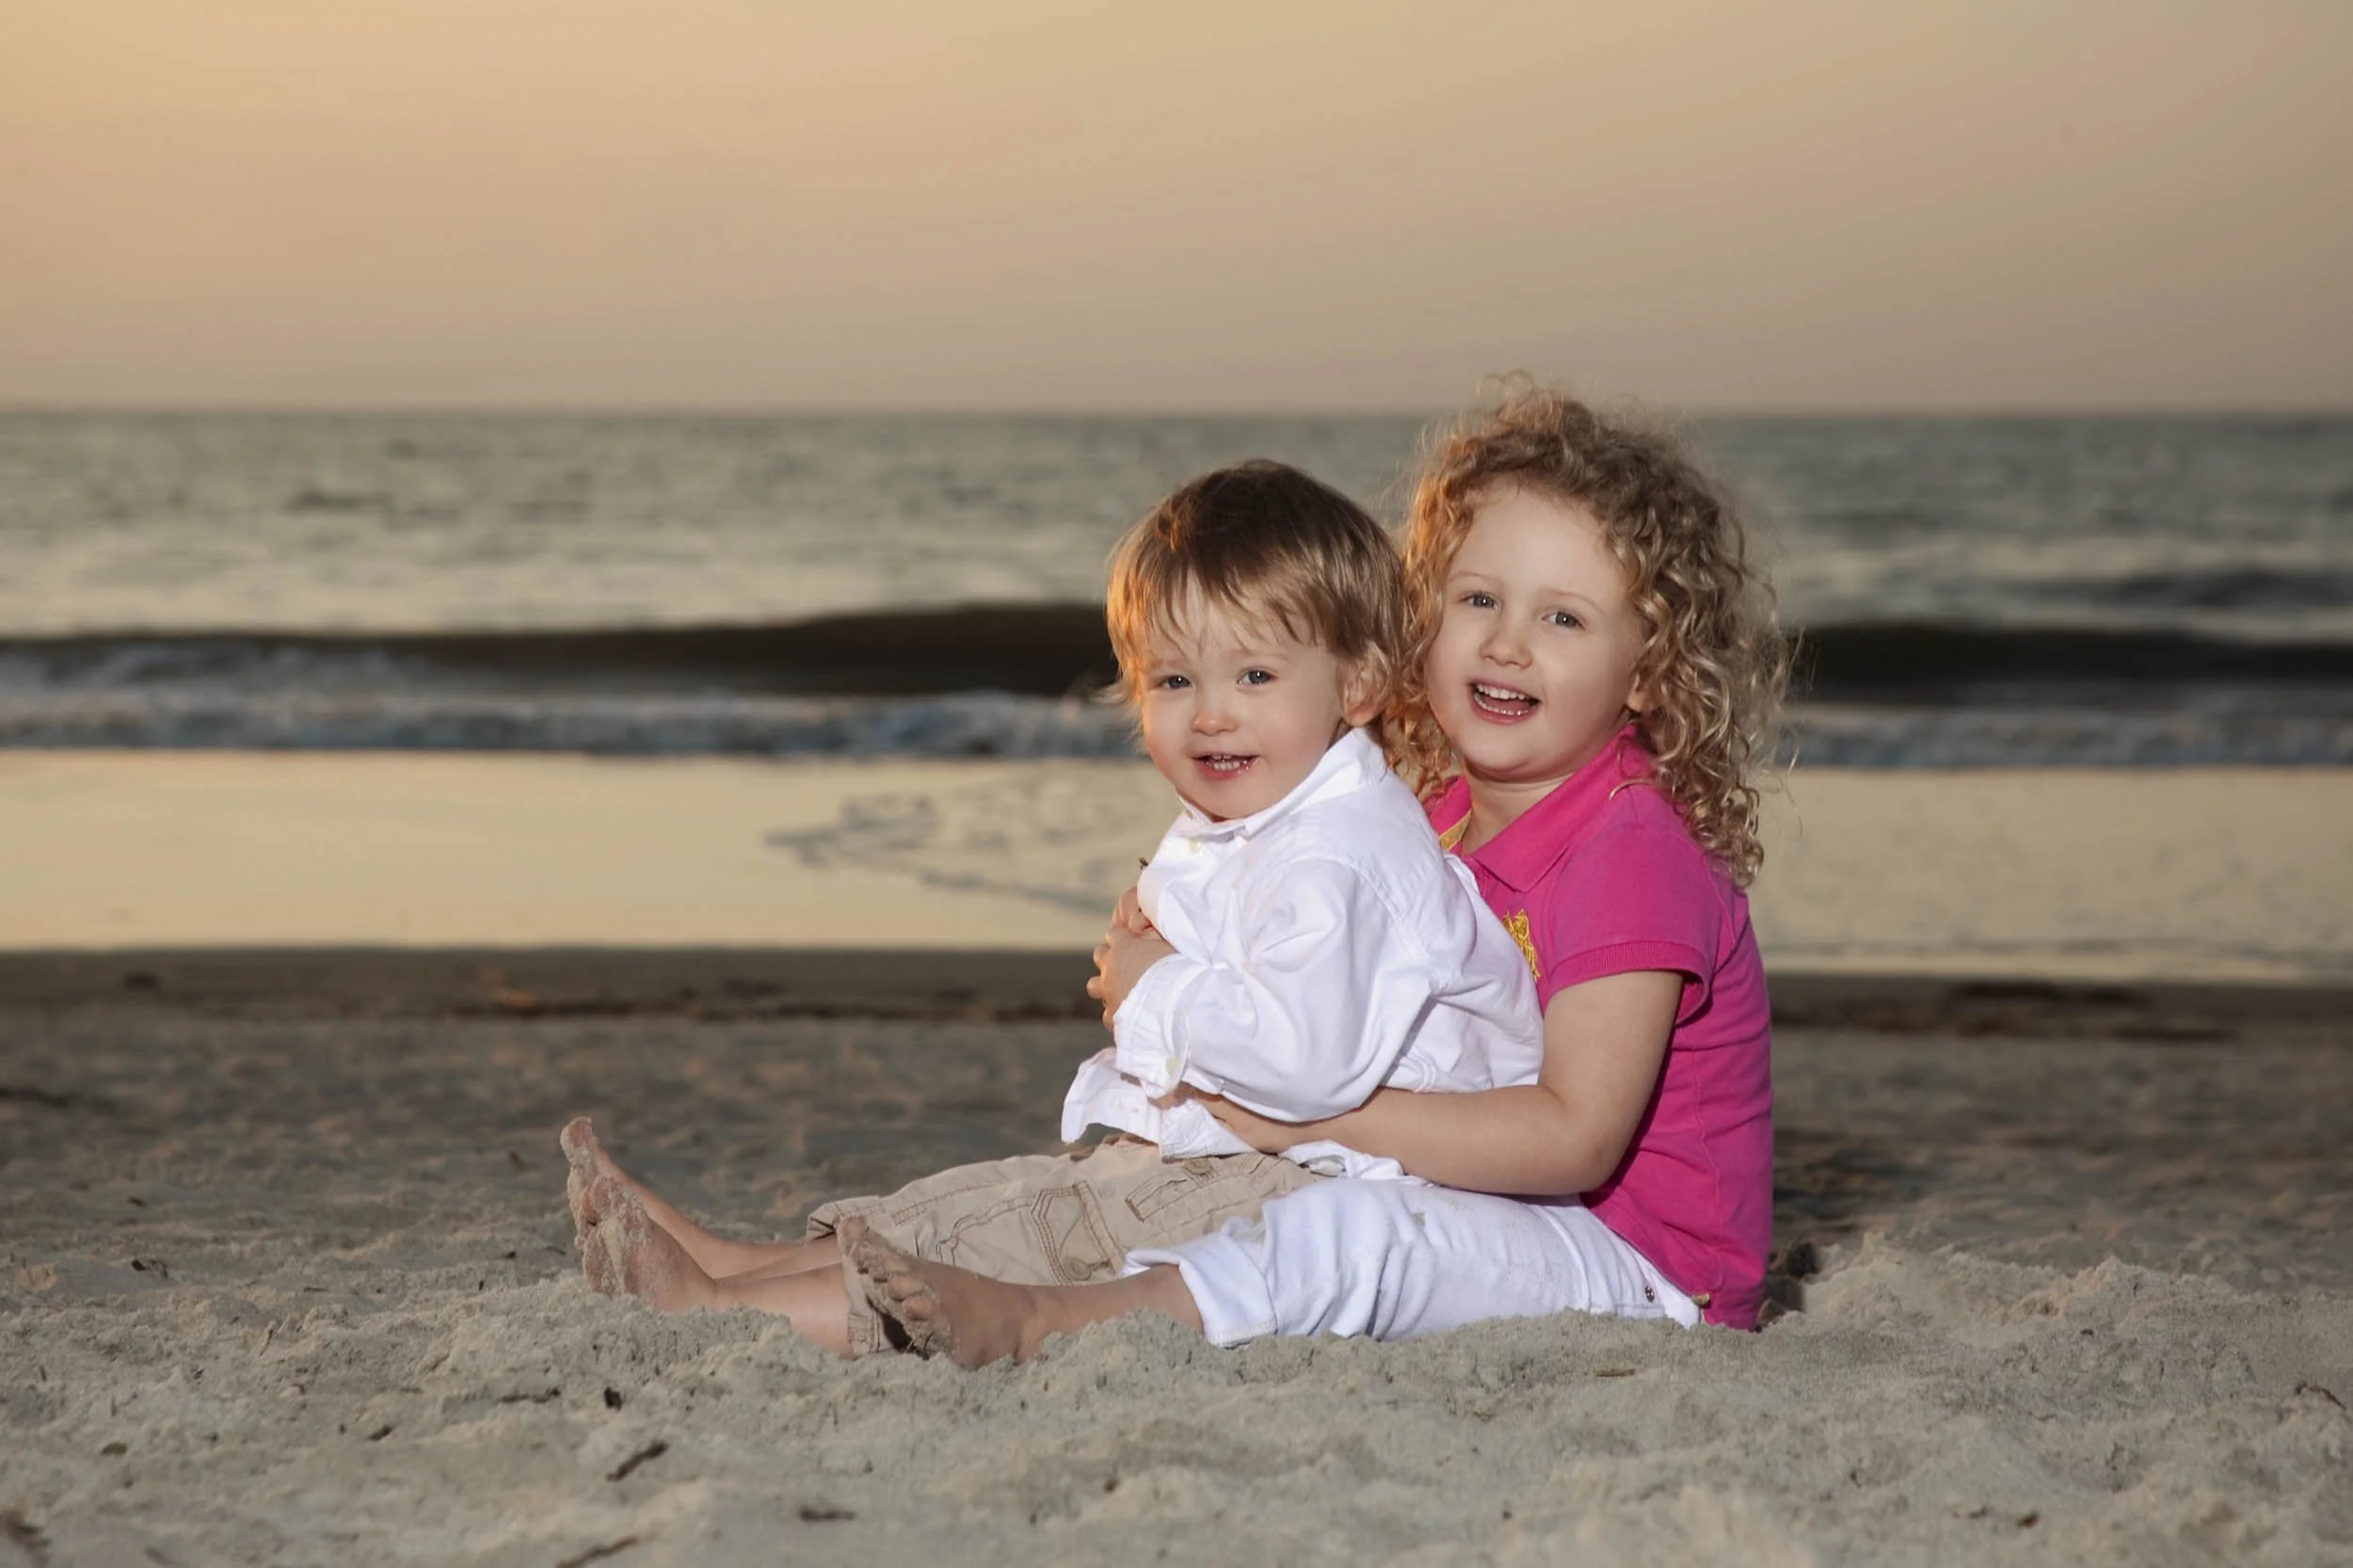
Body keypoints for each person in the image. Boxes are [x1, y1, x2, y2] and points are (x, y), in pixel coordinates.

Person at [840, 384, 1788, 1365]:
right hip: (1491, 1196)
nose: (1507, 641)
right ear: (1419, 618)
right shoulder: (1437, 816)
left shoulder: (1628, 852)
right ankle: (801, 1270)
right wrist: (1172, 949)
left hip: (1639, 1267)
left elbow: (1571, 1140)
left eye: (1563, 618)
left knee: (1352, 1238)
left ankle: (1040, 1322)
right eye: (1478, 599)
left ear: (1647, 668)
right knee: (1169, 1166)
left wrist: (1308, 1113)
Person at [562, 458, 1545, 1356]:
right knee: (989, 1196)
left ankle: (716, 1310)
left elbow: (1304, 1061)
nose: (1210, 711)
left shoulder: (1348, 852)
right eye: (1173, 678)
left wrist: (1154, 985)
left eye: (1253, 675)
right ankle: (733, 1262)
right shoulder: (1272, 814)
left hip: (1312, 1180)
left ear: (1361, 682)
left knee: (1019, 1245)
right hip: (1223, 1147)